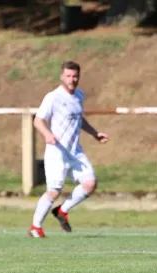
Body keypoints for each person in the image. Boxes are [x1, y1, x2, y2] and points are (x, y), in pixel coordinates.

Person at [28, 61, 109, 238]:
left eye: (75, 76)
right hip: (57, 151)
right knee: (54, 191)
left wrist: (95, 134)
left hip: (75, 151)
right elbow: (38, 120)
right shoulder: (53, 97)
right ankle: (35, 226)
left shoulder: (79, 95)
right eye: (68, 76)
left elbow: (79, 121)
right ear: (61, 77)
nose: (72, 80)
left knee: (90, 184)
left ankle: (62, 211)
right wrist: (47, 134)